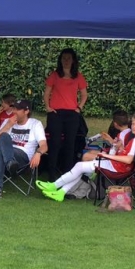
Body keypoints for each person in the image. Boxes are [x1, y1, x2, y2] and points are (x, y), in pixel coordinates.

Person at [37, 111, 135, 202]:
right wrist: (121, 149)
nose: (134, 127)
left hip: (118, 168)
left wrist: (108, 156)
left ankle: (55, 186)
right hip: (119, 166)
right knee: (80, 167)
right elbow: (129, 156)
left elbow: (128, 159)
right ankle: (60, 191)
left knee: (80, 166)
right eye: (133, 124)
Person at [0, 100, 47, 201]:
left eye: (17, 109)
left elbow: (44, 145)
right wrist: (8, 126)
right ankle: (10, 163)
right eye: (13, 108)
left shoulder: (35, 124)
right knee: (2, 141)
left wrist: (38, 153)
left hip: (23, 157)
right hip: (7, 157)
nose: (14, 111)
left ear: (26, 111)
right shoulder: (8, 121)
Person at [43, 48, 88, 181]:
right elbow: (47, 93)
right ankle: (51, 174)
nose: (66, 61)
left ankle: (67, 174)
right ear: (60, 60)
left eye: (69, 58)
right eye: (64, 58)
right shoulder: (54, 75)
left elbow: (84, 94)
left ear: (73, 60)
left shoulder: (78, 76)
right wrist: (48, 107)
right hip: (56, 113)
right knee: (55, 143)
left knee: (70, 144)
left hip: (72, 114)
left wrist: (79, 108)